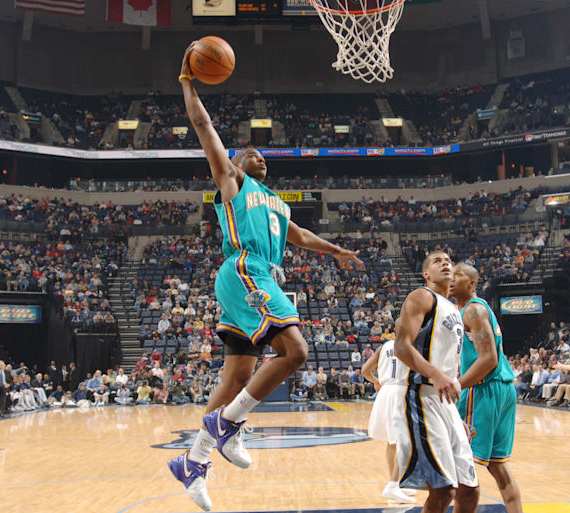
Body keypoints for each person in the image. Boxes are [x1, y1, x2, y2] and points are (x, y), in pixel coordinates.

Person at [168, 43, 363, 513]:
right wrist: (187, 83)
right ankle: (227, 425)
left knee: (236, 373)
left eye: (264, 157)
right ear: (237, 161)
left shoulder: (277, 203)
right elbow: (203, 126)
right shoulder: (234, 183)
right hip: (245, 269)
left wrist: (336, 250)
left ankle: (193, 463)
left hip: (258, 275)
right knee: (296, 351)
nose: (262, 159)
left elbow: (300, 235)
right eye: (253, 154)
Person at [391, 251, 479, 513]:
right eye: (437, 261)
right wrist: (437, 375)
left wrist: (455, 414)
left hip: (445, 404)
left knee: (469, 490)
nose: (446, 263)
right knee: (443, 490)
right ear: (426, 273)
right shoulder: (421, 297)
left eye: (449, 261)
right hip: (421, 396)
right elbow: (401, 347)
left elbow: (449, 363)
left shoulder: (453, 309)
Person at [450, 263, 522, 513]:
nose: (451, 277)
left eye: (457, 275)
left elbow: (488, 358)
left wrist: (456, 385)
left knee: (457, 462)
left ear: (471, 284)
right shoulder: (476, 309)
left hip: (484, 389)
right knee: (497, 466)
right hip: (502, 388)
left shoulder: (472, 310)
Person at [361, 340, 415, 504]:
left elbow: (364, 371)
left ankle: (397, 483)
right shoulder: (412, 344)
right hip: (400, 392)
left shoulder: (382, 347)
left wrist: (376, 381)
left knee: (392, 442)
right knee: (404, 441)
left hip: (385, 392)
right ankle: (393, 485)